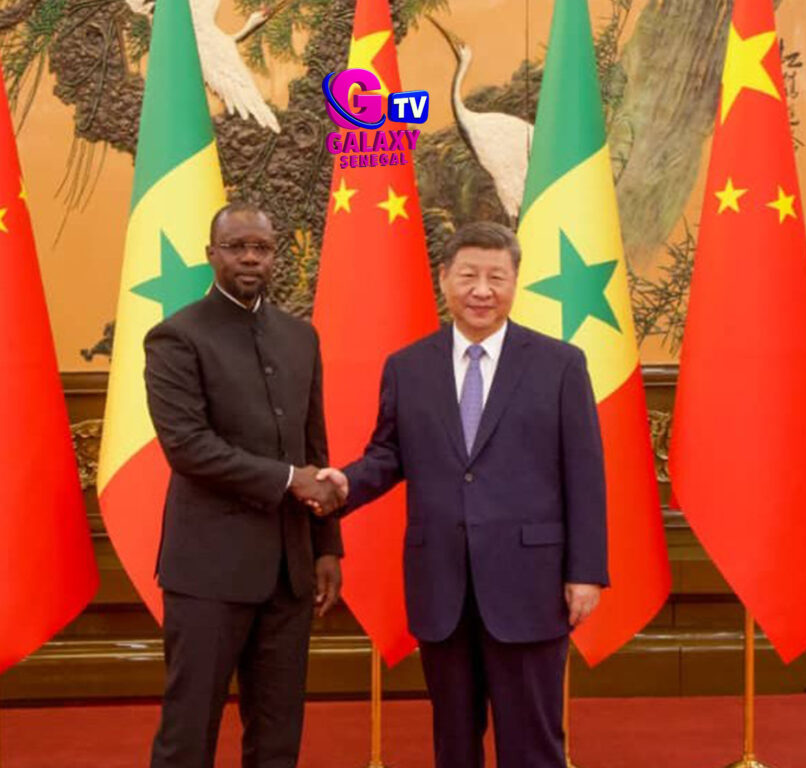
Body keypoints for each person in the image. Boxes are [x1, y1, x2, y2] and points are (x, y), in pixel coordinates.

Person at [316, 222, 608, 768]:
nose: (482, 290)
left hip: (530, 584)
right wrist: (347, 483)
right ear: (444, 278)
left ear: (515, 282)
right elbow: (389, 454)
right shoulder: (408, 367)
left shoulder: (560, 364)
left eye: (497, 277)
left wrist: (586, 572)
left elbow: (585, 474)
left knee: (533, 744)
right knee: (453, 743)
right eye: (469, 275)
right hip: (442, 584)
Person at [143, 202, 345, 768]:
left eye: (262, 247)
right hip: (208, 572)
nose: (251, 258)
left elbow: (314, 448)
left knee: (278, 734)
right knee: (189, 733)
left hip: (290, 570)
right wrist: (288, 479)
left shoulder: (300, 337)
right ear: (212, 255)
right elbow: (188, 447)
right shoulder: (175, 337)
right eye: (237, 247)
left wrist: (327, 547)